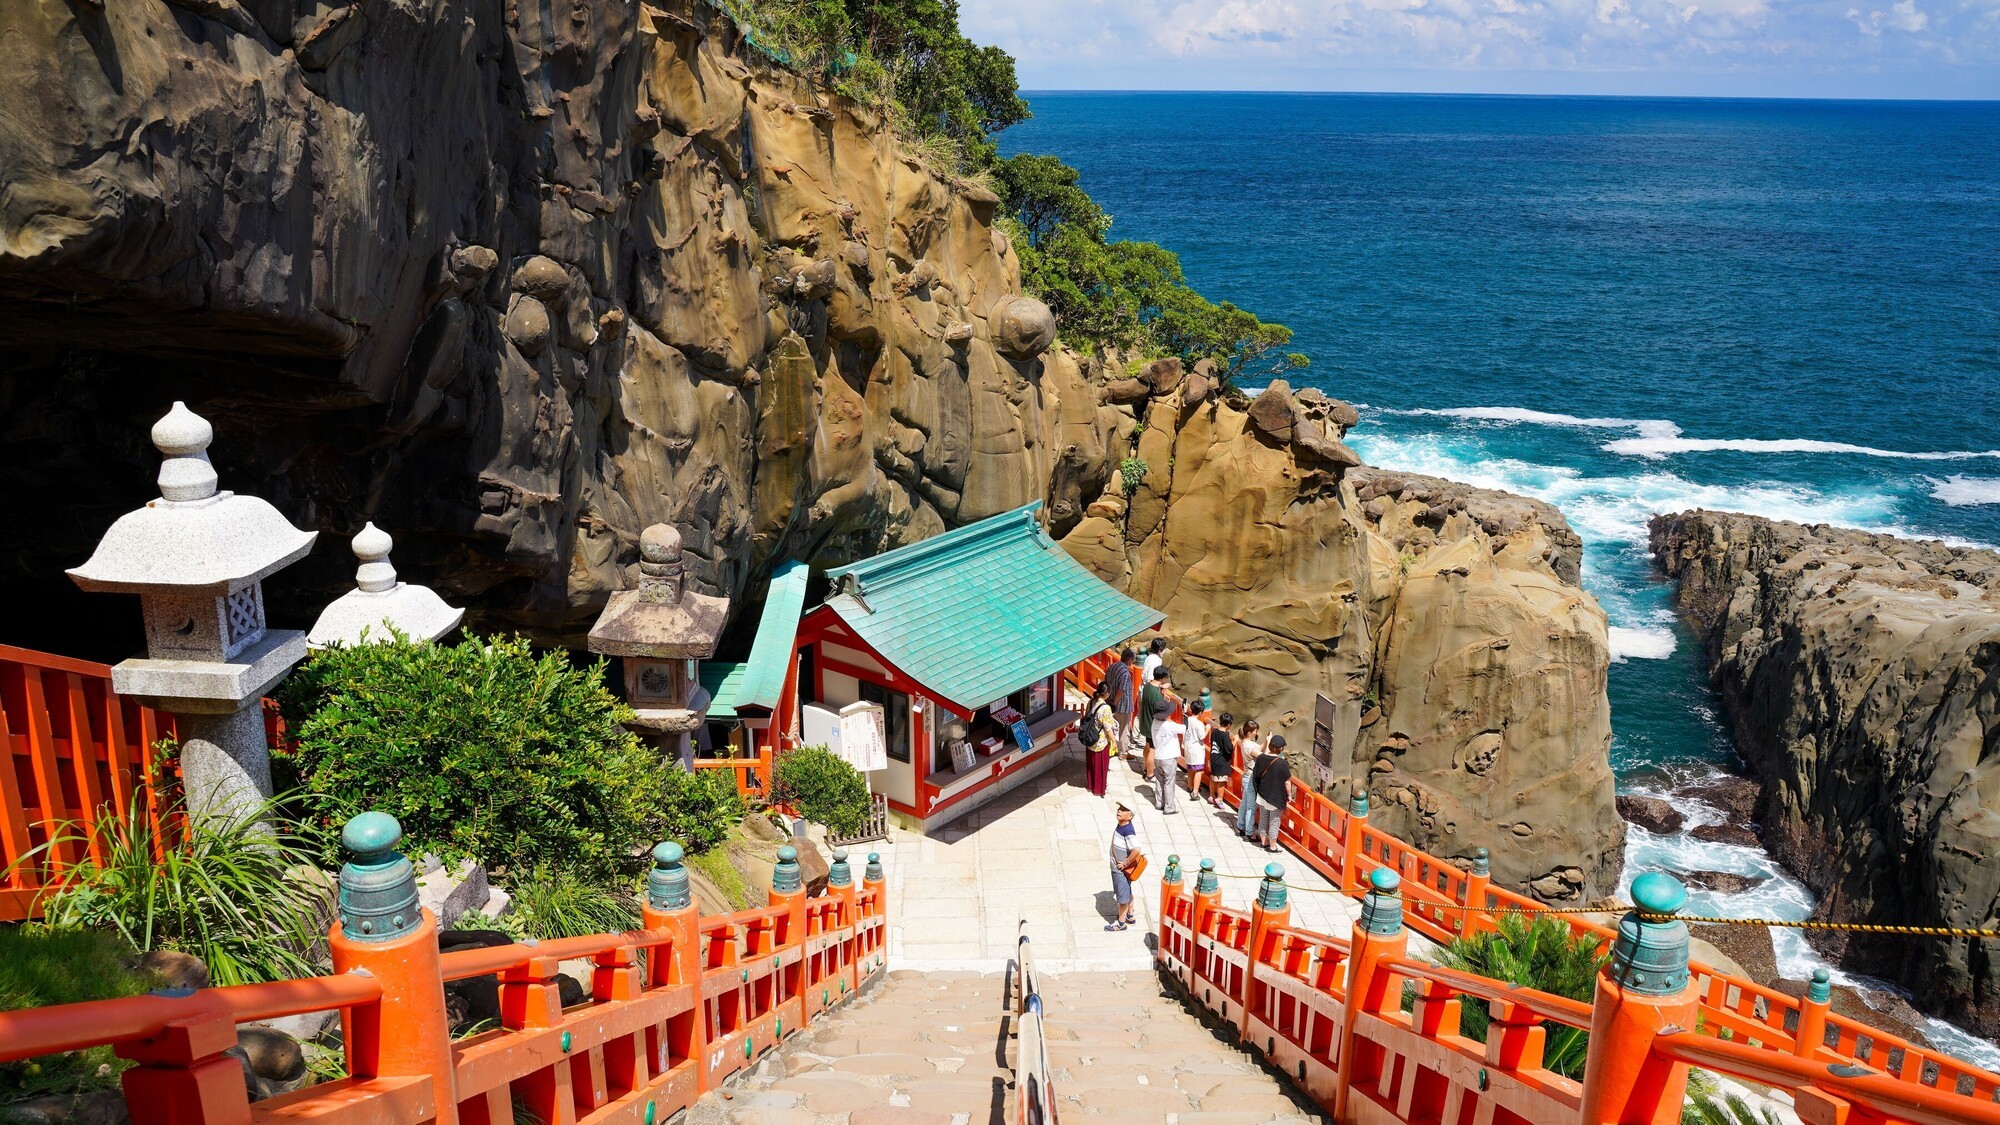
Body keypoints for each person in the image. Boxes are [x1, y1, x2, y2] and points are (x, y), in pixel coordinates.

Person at [1107, 802, 1143, 930]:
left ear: (1130, 816)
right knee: (1127, 891)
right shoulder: (1122, 825)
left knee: (1122, 898)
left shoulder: (1127, 831)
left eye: (1123, 810)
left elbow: (1136, 849)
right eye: (1119, 808)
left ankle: (1121, 924)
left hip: (1120, 870)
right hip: (1121, 869)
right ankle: (1130, 915)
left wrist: (1125, 863)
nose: (1119, 811)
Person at [1254, 734, 1293, 852]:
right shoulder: (1282, 763)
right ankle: (1272, 846)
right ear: (1281, 748)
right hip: (1275, 797)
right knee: (1274, 821)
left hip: (1262, 794)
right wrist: (1289, 795)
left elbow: (1256, 774)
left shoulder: (1260, 758)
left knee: (1263, 818)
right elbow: (1287, 782)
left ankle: (1263, 842)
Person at [1080, 681, 1116, 797]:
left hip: (1090, 736)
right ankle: (1099, 789)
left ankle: (1090, 785)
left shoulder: (1091, 702)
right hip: (1100, 739)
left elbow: (1086, 716)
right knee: (1100, 766)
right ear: (1107, 694)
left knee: (1091, 764)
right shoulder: (1106, 708)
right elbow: (1108, 727)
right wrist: (1114, 741)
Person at [1140, 664, 1174, 779]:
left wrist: (1162, 687)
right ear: (1163, 678)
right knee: (1152, 749)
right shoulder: (1157, 696)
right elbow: (1162, 712)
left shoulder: (1147, 687)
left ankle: (1146, 768)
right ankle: (1150, 773)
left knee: (1147, 745)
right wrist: (1165, 700)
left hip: (1145, 721)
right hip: (1153, 725)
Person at [1105, 648, 1138, 760]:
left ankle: (1110, 748)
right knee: (1124, 730)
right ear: (1129, 660)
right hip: (1122, 706)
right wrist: (1114, 703)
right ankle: (1123, 752)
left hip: (1109, 701)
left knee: (1110, 727)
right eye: (1133, 660)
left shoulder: (1112, 667)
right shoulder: (1125, 673)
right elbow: (1121, 690)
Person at [1152, 704, 1185, 814]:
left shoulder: (1154, 722)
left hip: (1158, 756)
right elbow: (1184, 728)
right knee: (1169, 783)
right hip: (1168, 758)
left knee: (1159, 780)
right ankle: (1169, 807)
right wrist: (1184, 714)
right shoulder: (1170, 726)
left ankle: (1159, 802)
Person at [1235, 720, 1263, 836]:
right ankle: (1249, 832)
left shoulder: (1245, 742)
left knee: (1244, 803)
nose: (1256, 733)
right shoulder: (1249, 746)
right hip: (1251, 778)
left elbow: (1260, 748)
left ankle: (1240, 826)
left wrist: (1267, 741)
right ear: (1250, 732)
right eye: (1255, 731)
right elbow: (1262, 757)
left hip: (1247, 776)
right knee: (1251, 807)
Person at [1206, 713, 1236, 808]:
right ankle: (1219, 799)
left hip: (1214, 759)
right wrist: (1235, 740)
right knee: (1221, 781)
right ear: (1229, 725)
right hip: (1222, 762)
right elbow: (1229, 748)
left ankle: (1211, 796)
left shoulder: (1215, 732)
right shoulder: (1225, 736)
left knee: (1213, 779)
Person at [1182, 704, 1209, 797]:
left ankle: (1190, 786)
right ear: (1201, 712)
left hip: (1188, 746)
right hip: (1196, 749)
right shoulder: (1199, 724)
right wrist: (1207, 729)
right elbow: (1202, 736)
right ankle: (1195, 791)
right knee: (1198, 770)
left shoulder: (1187, 719)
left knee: (1190, 768)